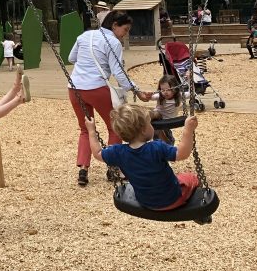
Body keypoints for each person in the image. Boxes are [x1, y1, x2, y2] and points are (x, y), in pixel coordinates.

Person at [85, 104, 200, 211]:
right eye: (150, 123)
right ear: (144, 129)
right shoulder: (156, 148)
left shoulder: (118, 152)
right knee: (191, 177)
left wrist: (91, 130)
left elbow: (97, 153)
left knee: (177, 178)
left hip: (146, 202)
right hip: (172, 200)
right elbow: (182, 154)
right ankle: (200, 212)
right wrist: (188, 130)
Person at [67, 11, 136, 187]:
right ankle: (113, 167)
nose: (125, 34)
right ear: (114, 25)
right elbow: (118, 72)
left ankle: (83, 169)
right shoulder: (113, 42)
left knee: (85, 128)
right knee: (115, 127)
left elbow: (71, 58)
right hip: (96, 88)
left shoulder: (84, 35)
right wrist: (136, 90)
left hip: (74, 88)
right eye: (125, 29)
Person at [138, 75, 181, 144]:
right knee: (152, 114)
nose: (165, 92)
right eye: (163, 90)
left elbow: (192, 93)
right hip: (158, 116)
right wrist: (148, 94)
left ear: (175, 89)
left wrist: (189, 79)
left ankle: (167, 143)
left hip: (168, 120)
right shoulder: (160, 96)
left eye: (168, 89)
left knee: (165, 135)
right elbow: (149, 97)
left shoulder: (180, 96)